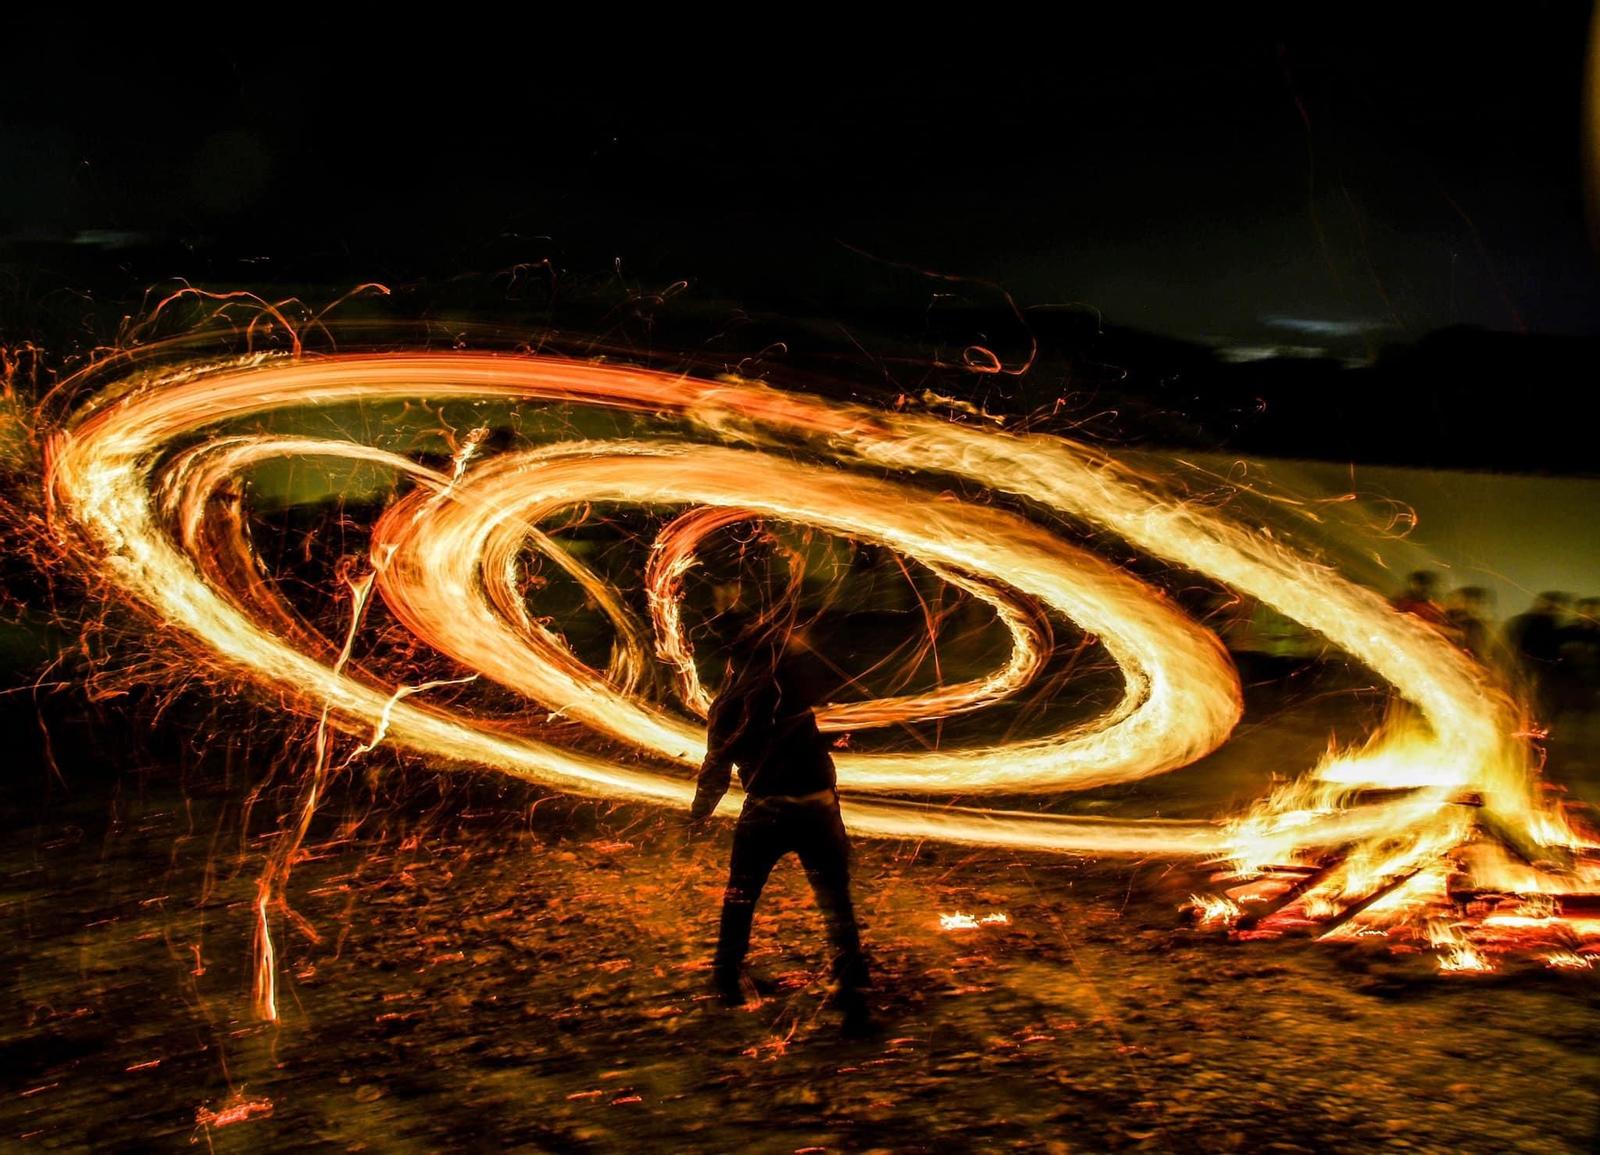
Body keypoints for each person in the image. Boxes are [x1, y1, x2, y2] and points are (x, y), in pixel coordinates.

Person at [687, 606, 874, 1036]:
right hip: (818, 806)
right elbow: (832, 719)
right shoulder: (795, 679)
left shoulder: (731, 701)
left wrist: (698, 814)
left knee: (741, 896)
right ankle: (851, 983)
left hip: (768, 810)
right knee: (835, 899)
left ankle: (728, 979)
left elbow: (717, 764)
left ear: (728, 656)